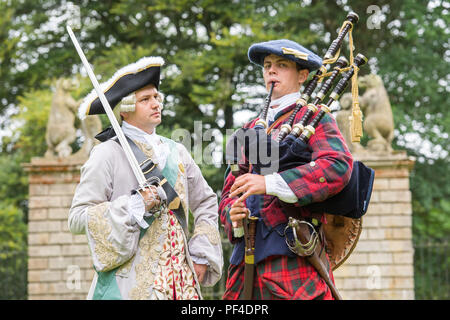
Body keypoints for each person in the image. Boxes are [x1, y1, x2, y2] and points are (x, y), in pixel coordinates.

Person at [69, 56, 223, 300]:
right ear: (126, 110)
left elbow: (206, 202)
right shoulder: (106, 153)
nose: (156, 104)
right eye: (145, 100)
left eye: (156, 98)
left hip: (181, 284)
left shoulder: (177, 151)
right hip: (129, 286)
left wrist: (202, 252)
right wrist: (132, 206)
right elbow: (77, 218)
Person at [219, 40, 353, 300]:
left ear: (303, 75)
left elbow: (337, 166)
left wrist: (270, 183)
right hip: (245, 267)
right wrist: (232, 215)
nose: (271, 71)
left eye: (282, 65)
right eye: (267, 65)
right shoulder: (246, 131)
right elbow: (227, 194)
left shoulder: (316, 118)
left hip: (293, 260)